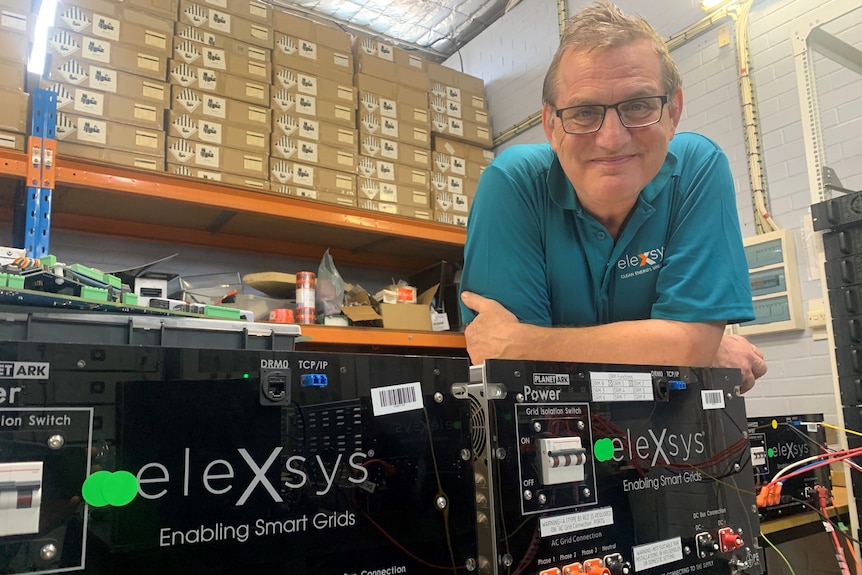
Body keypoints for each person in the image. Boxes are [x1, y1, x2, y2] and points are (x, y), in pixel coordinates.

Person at [459, 0, 767, 392]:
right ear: (551, 126)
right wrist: (684, 349)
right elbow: (520, 378)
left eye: (637, 106)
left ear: (673, 112)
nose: (611, 138)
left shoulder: (698, 167)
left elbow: (519, 349)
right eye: (585, 112)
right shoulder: (513, 183)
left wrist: (531, 341)